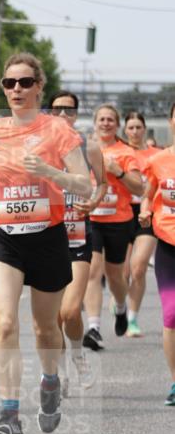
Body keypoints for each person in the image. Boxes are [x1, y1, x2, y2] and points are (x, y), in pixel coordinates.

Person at [0, 53, 92, 434]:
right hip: (4, 234)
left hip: (47, 236)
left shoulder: (58, 130)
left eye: (25, 82)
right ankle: (9, 414)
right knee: (6, 321)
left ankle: (50, 381)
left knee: (46, 327)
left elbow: (85, 185)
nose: (17, 90)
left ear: (39, 87)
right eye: (10, 83)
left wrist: (50, 172)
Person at [48, 92, 106, 394]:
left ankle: (78, 355)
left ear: (75, 115)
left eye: (68, 111)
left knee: (70, 311)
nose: (61, 115)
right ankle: (58, 373)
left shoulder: (89, 147)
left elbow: (103, 184)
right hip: (45, 240)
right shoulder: (40, 150)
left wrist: (92, 203)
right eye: (56, 110)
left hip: (79, 239)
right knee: (52, 315)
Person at [83, 105, 142, 350]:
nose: (106, 123)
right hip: (91, 220)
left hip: (118, 221)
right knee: (93, 272)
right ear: (95, 123)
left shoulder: (126, 152)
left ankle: (120, 307)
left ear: (117, 125)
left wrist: (117, 172)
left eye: (110, 120)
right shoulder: (83, 150)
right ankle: (94, 327)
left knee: (116, 275)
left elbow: (139, 188)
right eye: (102, 119)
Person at [139, 102, 175, 405]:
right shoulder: (159, 161)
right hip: (168, 243)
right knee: (172, 314)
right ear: (171, 121)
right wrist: (144, 211)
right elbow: (148, 195)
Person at [123, 111, 159, 337]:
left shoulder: (156, 155)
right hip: (122, 213)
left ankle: (132, 319)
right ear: (125, 130)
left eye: (138, 127)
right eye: (131, 128)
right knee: (122, 273)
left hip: (147, 213)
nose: (135, 131)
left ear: (144, 129)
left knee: (138, 267)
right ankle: (120, 299)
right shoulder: (118, 153)